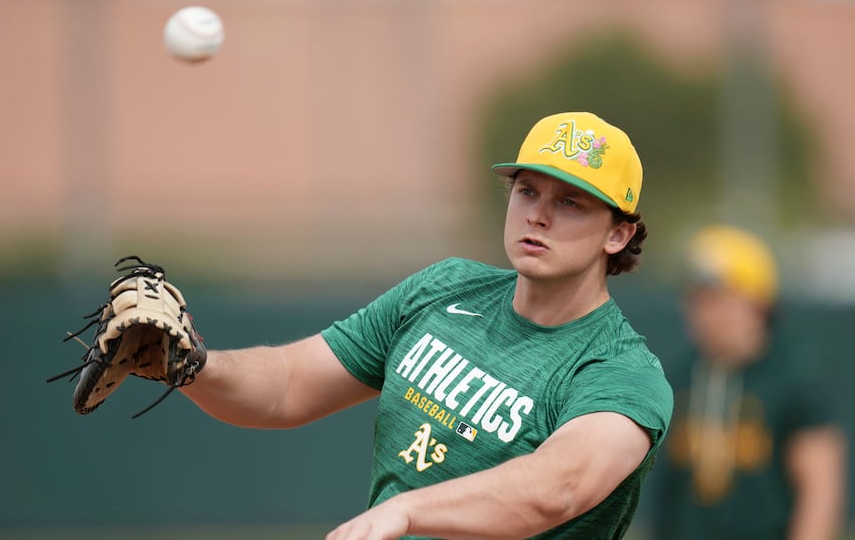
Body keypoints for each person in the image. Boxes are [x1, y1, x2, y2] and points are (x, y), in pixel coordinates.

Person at [180, 112, 674, 539]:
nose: (538, 215)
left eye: (570, 202)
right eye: (527, 191)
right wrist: (189, 364)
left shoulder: (621, 372)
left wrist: (406, 511)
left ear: (618, 233)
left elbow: (558, 487)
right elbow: (287, 384)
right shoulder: (445, 289)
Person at [651, 225, 847, 540]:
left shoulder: (794, 375)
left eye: (716, 298)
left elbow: (819, 491)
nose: (702, 313)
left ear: (757, 303)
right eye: (695, 299)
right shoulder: (680, 375)